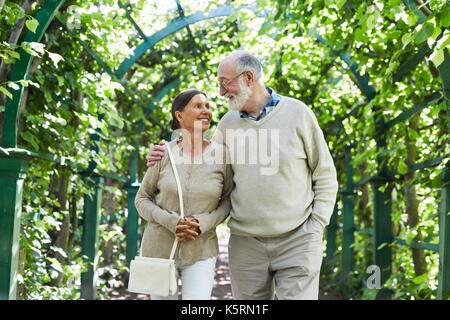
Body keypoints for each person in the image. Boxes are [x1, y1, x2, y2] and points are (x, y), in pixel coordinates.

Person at [147, 51, 338, 300]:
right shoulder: (227, 124)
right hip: (246, 245)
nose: (220, 92)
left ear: (248, 77)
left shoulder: (298, 114)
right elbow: (204, 164)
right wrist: (164, 153)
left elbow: (325, 175)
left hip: (298, 239)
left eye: (224, 83)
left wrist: (316, 225)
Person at [134, 89, 233, 300]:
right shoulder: (163, 154)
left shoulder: (223, 156)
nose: (206, 111)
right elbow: (141, 199)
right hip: (159, 250)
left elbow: (227, 201)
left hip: (201, 249)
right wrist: (172, 222)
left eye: (207, 106)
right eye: (197, 106)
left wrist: (201, 223)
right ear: (179, 115)